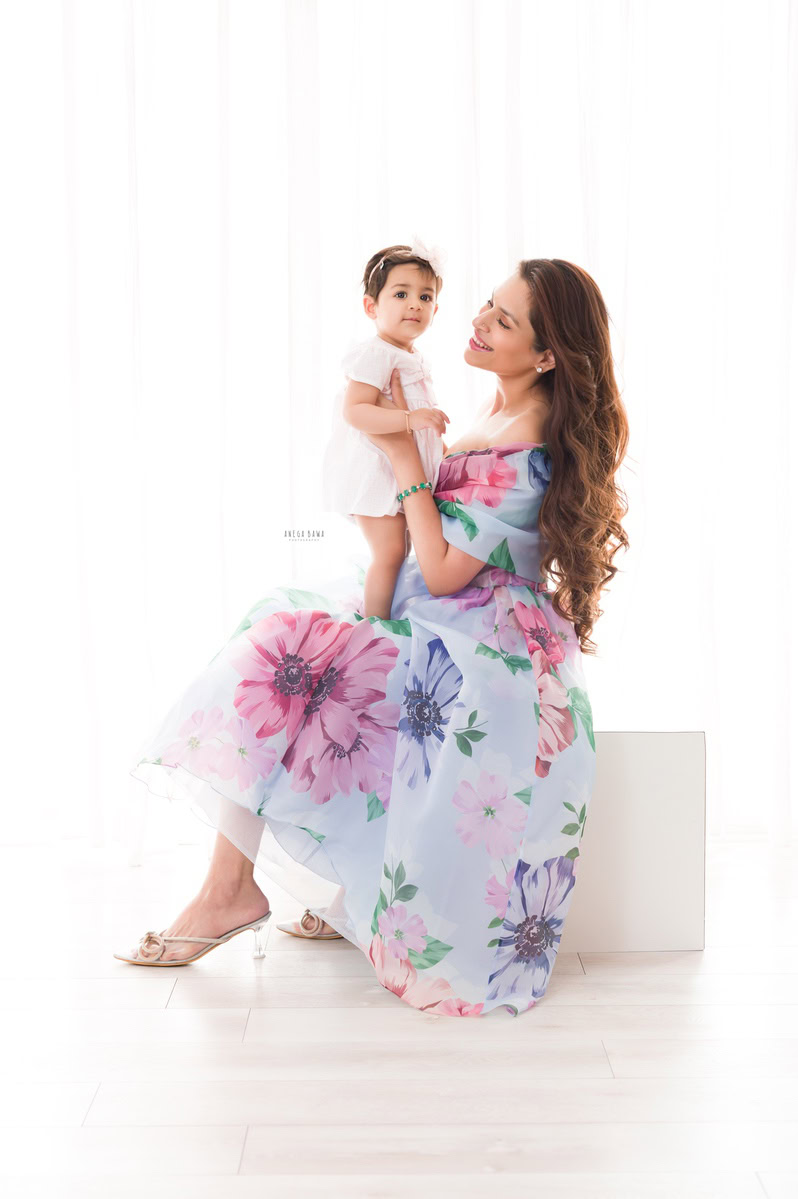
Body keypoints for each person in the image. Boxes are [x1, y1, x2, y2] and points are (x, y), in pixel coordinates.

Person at [117, 258, 630, 1019]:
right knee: (289, 631)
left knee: (292, 653)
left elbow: (446, 569)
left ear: (548, 355)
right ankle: (306, 892)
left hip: (487, 642)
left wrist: (402, 462)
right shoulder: (498, 410)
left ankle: (229, 891)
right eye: (487, 305)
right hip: (446, 610)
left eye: (504, 320)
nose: (479, 322)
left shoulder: (527, 444)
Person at [321, 239, 450, 619]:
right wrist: (410, 419)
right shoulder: (376, 352)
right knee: (390, 552)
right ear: (371, 307)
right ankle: (374, 626)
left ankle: (386, 613)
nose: (415, 304)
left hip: (401, 471)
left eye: (425, 297)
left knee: (403, 550)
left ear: (435, 310)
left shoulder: (411, 356)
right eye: (401, 294)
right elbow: (355, 410)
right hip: (375, 471)